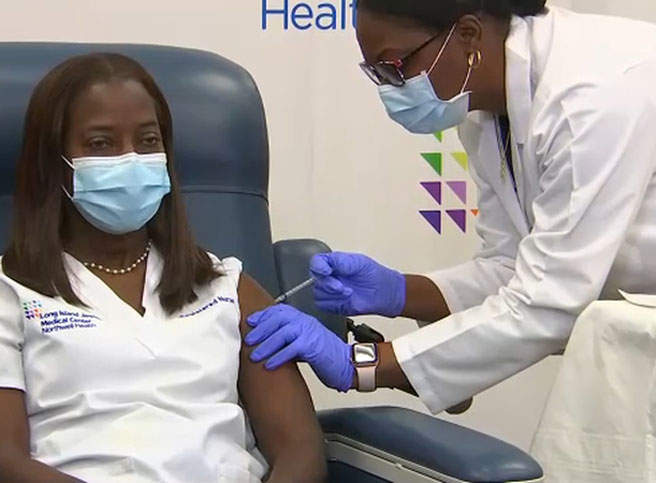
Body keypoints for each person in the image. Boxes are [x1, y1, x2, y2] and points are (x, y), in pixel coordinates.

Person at [0, 53, 326, 483]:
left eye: (148, 141)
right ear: (53, 162)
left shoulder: (224, 285)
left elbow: (299, 448)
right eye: (101, 144)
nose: (131, 159)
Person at [247, 0, 656, 419]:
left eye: (394, 66)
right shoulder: (483, 114)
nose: (389, 89)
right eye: (377, 73)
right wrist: (400, 292)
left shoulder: (589, 100)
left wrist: (362, 365)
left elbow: (549, 302)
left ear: (468, 34)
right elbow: (510, 267)